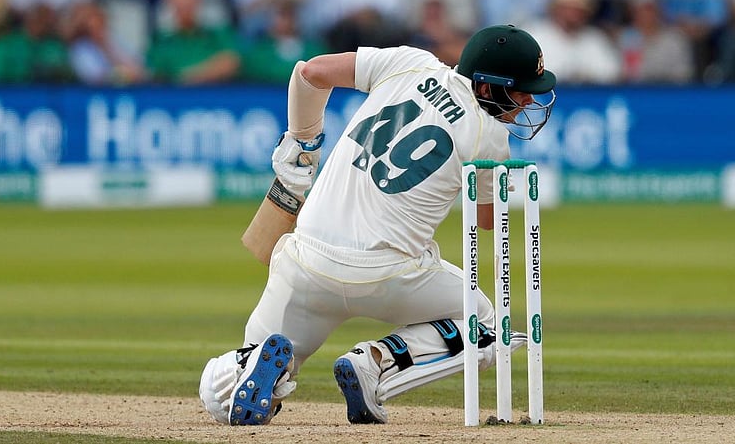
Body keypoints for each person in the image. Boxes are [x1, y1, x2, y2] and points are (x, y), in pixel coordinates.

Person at [198, 24, 557, 426]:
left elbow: (311, 72)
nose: (527, 100)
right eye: (520, 90)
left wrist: (303, 143)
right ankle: (374, 362)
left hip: (305, 264)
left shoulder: (409, 62)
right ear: (487, 88)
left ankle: (254, 366)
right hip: (389, 276)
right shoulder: (488, 136)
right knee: (487, 326)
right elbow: (488, 221)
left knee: (221, 395)